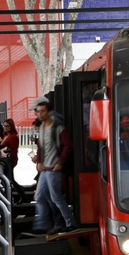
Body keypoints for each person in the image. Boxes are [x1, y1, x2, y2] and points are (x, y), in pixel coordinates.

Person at [32, 100, 77, 235]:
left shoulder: (58, 128)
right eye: (38, 111)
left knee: (55, 197)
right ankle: (47, 223)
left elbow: (68, 146)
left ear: (49, 112)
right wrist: (39, 161)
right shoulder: (41, 128)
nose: (39, 114)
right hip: (45, 169)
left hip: (53, 169)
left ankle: (69, 223)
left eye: (42, 111)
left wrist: (60, 162)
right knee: (40, 196)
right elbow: (40, 147)